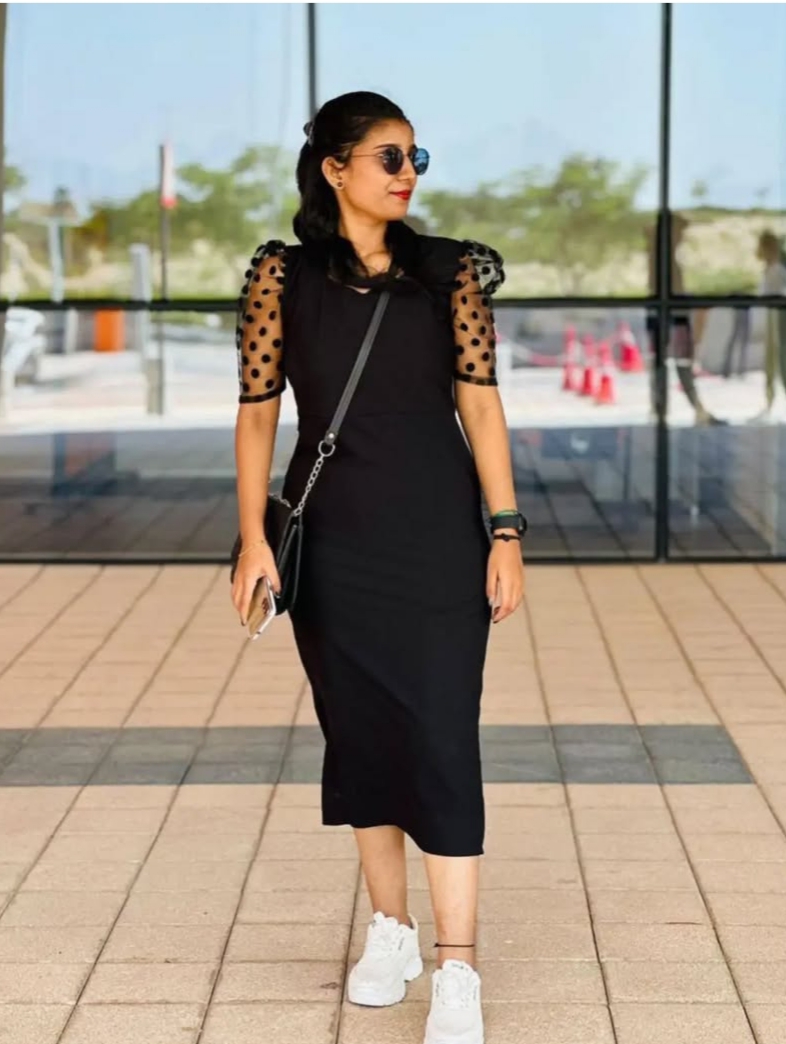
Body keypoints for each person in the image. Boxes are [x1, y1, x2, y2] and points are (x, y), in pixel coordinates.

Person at [230, 91, 525, 1044]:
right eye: (389, 157)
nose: (407, 175)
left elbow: (481, 405)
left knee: (441, 737)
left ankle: (458, 967)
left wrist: (507, 531)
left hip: (439, 541)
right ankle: (391, 932)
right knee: (360, 737)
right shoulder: (281, 277)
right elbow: (257, 415)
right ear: (335, 168)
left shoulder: (448, 273)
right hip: (337, 543)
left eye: (415, 158)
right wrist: (253, 538)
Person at [645, 212, 725, 425]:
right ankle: (671, 410)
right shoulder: (661, 258)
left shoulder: (665, 257)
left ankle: (683, 409)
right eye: (678, 231)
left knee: (674, 364)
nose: (681, 236)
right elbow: (665, 290)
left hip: (672, 315)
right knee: (672, 364)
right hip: (671, 316)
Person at [750, 229, 786, 422]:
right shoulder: (772, 269)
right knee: (772, 363)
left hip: (776, 318)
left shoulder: (777, 270)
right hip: (771, 318)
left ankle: (770, 402)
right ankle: (769, 402)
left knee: (778, 360)